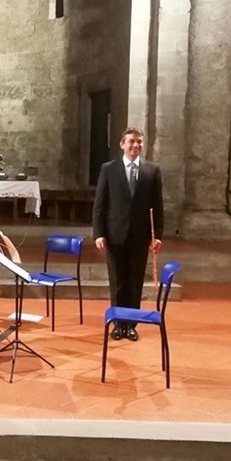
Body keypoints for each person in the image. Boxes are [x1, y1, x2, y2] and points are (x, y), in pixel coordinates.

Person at [92, 127, 164, 342]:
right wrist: (99, 233)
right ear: (122, 144)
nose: (136, 145)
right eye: (132, 141)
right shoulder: (109, 169)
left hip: (140, 236)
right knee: (117, 282)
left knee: (134, 282)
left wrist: (157, 235)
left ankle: (131, 325)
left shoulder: (152, 171)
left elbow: (158, 207)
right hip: (115, 234)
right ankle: (117, 324)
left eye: (139, 142)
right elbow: (100, 205)